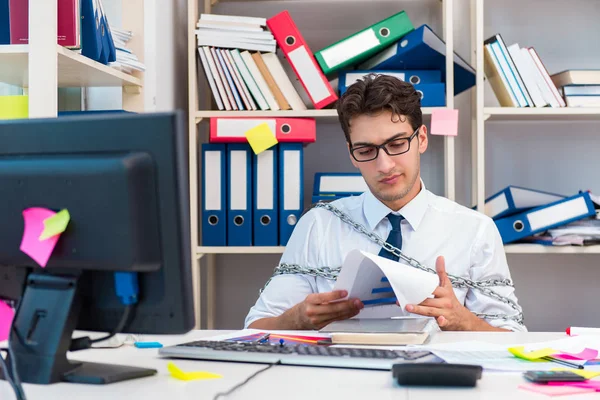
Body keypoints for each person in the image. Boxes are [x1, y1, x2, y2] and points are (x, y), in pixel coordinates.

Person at [244, 74, 526, 332]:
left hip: (432, 381)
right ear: (352, 155)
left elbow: (513, 338)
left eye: (397, 144)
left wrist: (463, 320)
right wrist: (297, 319)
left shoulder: (474, 230)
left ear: (422, 139)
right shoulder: (318, 225)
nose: (384, 164)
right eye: (366, 150)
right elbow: (254, 328)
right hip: (337, 379)